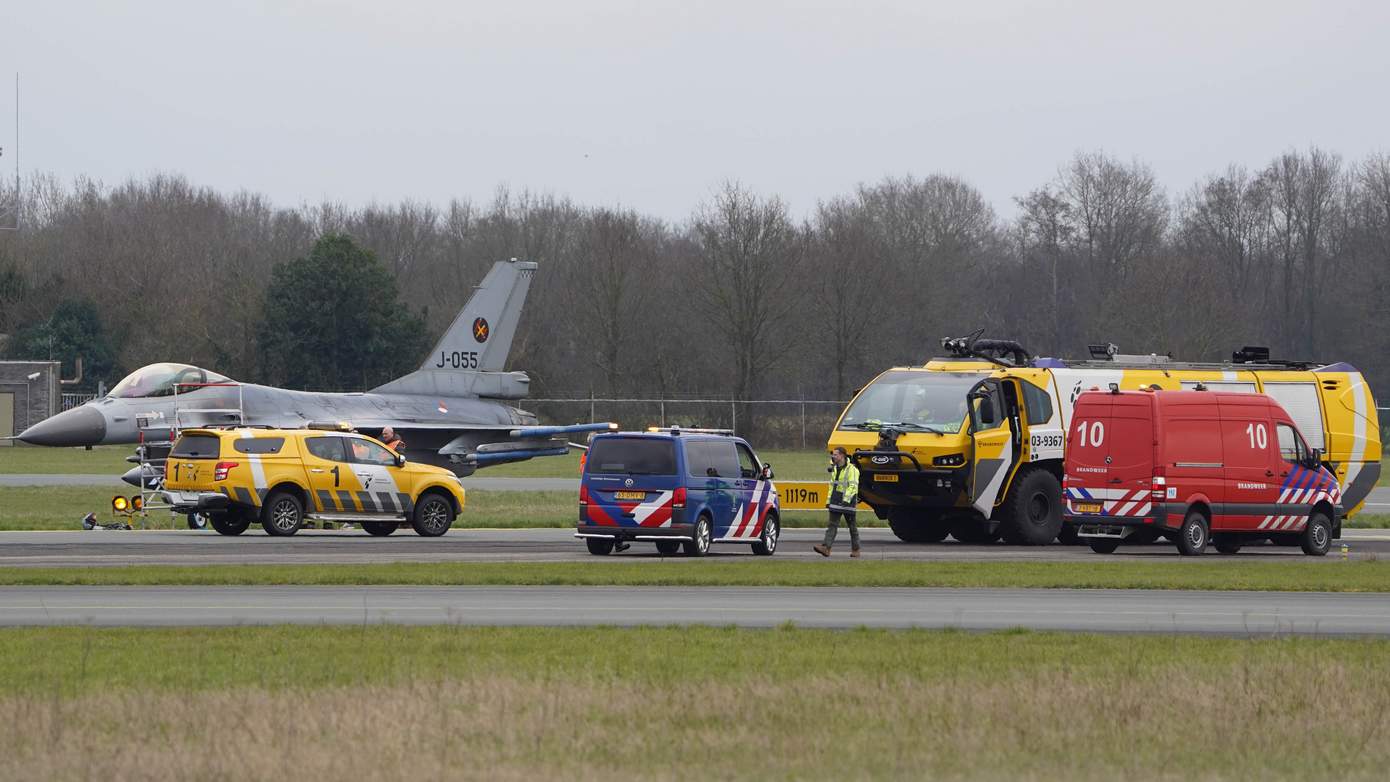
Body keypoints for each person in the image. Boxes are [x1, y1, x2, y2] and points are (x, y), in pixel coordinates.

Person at [814, 447, 861, 558]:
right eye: (833, 455)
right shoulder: (835, 469)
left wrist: (846, 500)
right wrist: (828, 501)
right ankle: (826, 548)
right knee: (832, 525)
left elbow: (853, 486)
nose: (833, 457)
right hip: (835, 501)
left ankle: (856, 550)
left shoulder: (852, 470)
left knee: (852, 527)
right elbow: (832, 486)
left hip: (848, 503)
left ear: (842, 456)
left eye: (835, 454)